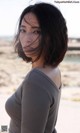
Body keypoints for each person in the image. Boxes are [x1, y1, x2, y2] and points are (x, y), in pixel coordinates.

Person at [5, 2, 68, 133]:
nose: (26, 39)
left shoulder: (35, 80)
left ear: (52, 36)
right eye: (23, 30)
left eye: (36, 31)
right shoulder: (53, 69)